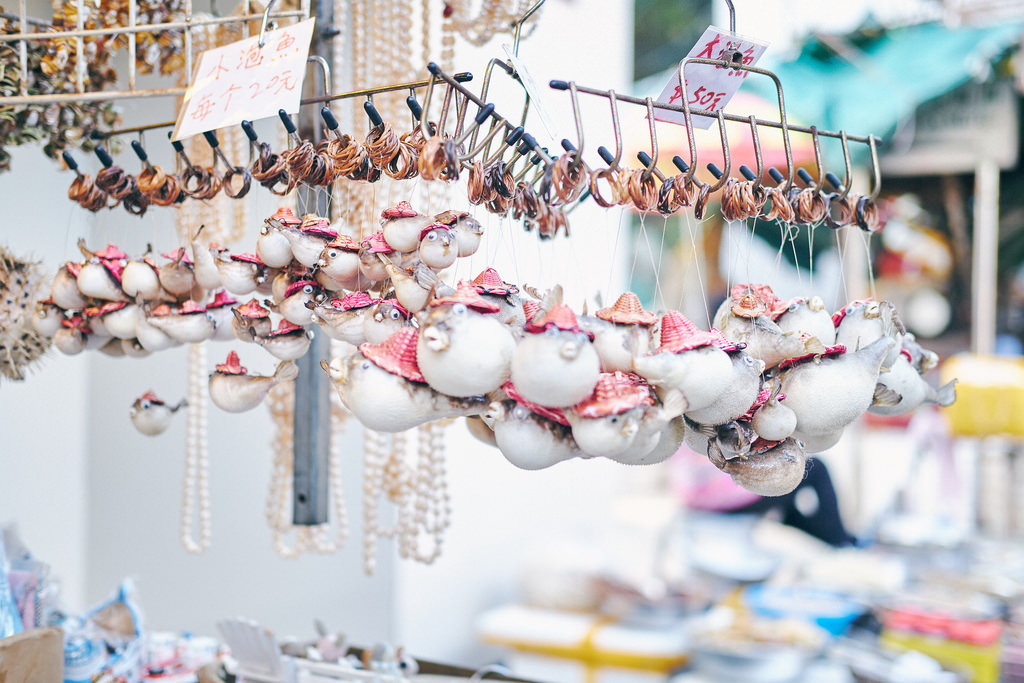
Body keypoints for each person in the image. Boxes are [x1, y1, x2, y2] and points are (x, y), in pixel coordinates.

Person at [671, 446, 856, 547]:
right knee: (814, 468)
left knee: (788, 491)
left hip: (702, 497)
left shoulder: (685, 422)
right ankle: (838, 539)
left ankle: (832, 538)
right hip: (728, 496)